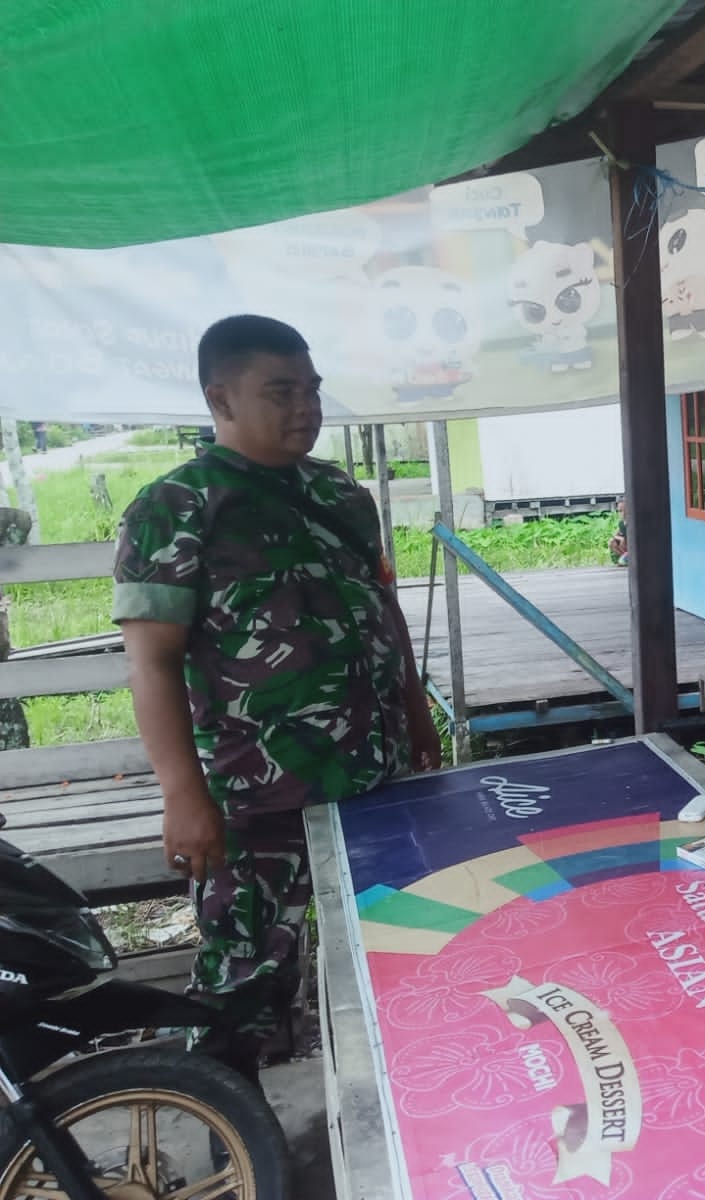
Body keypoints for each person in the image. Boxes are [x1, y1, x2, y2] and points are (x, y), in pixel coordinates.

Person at [113, 314, 441, 1086]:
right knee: (245, 987)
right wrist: (182, 796)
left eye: (312, 390)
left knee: (400, 953)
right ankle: (235, 1138)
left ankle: (403, 1120)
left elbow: (382, 610)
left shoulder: (338, 493)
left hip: (375, 780)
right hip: (255, 798)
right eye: (281, 391)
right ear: (219, 398)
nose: (306, 408)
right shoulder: (177, 508)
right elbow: (151, 664)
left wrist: (419, 714)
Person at [609, 496, 628, 566]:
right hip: (626, 548)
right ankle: (624, 557)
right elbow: (614, 535)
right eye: (619, 511)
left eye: (622, 511)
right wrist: (621, 538)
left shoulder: (632, 522)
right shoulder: (621, 523)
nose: (620, 513)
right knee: (612, 541)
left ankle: (627, 558)